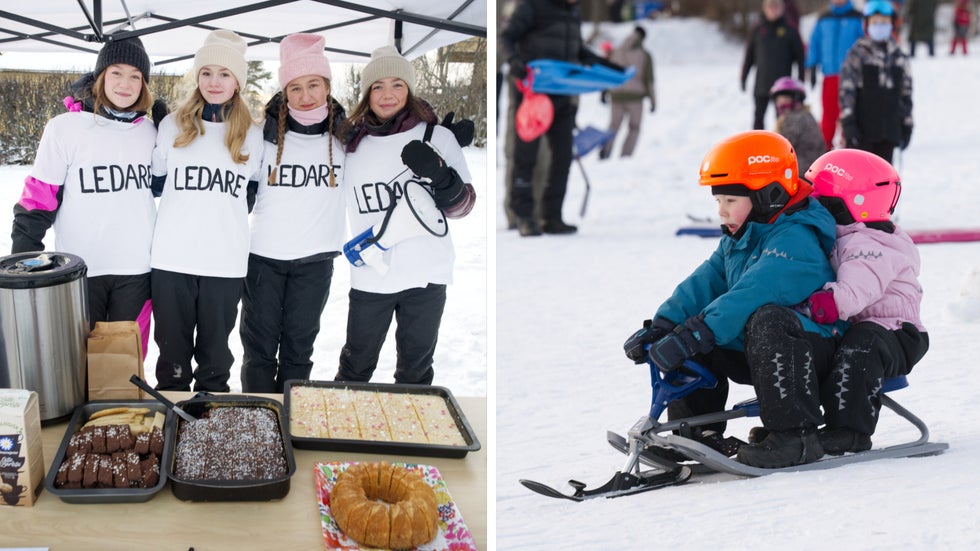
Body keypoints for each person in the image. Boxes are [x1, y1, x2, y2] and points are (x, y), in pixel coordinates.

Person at [623, 131, 846, 468]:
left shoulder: (797, 239)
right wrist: (664, 325)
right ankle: (695, 433)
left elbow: (754, 292)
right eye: (718, 201)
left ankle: (795, 437)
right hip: (761, 348)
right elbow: (705, 281)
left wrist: (696, 333)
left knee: (760, 320)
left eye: (730, 201)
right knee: (694, 330)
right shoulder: (742, 235)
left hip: (811, 350)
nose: (721, 211)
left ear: (768, 195)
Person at [335, 45, 475, 385]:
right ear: (367, 94)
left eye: (397, 84)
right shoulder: (349, 144)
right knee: (355, 370)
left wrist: (442, 176)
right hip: (372, 273)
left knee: (415, 374)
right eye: (378, 86)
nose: (388, 94)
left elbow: (464, 206)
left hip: (426, 274)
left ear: (409, 89)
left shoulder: (437, 137)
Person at [10, 37, 158, 355]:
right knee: (77, 362)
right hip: (80, 269)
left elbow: (162, 186)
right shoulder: (64, 128)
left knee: (125, 364)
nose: (125, 84)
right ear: (100, 76)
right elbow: (38, 199)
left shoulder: (150, 131)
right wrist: (22, 256)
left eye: (135, 76)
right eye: (116, 72)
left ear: (144, 84)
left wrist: (170, 128)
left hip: (136, 270)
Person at [149, 29, 263, 392]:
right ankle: (173, 420)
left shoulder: (254, 135)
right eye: (207, 72)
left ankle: (210, 420)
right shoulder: (172, 126)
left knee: (215, 361)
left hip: (224, 263)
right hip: (172, 260)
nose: (214, 82)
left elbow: (252, 191)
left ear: (238, 82)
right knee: (172, 362)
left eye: (225, 74)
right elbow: (156, 181)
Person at [238, 33, 347, 393]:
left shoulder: (347, 138)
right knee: (259, 351)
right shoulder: (262, 135)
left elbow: (388, 145)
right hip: (263, 260)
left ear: (327, 86)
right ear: (285, 92)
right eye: (295, 88)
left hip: (316, 261)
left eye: (313, 84)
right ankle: (257, 415)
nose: (305, 95)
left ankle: (290, 416)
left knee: (299, 351)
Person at [802, 149, 929, 454]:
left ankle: (851, 431)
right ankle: (796, 427)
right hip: (863, 327)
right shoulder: (844, 236)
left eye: (820, 203)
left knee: (861, 346)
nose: (813, 208)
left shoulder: (871, 244)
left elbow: (852, 293)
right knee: (828, 345)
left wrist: (816, 304)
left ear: (845, 206)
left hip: (898, 333)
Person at [500, 0, 623, 237]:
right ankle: (524, 217)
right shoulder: (532, 5)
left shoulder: (572, 11)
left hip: (562, 93)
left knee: (563, 156)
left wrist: (604, 65)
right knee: (526, 157)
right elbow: (505, 37)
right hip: (532, 95)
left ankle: (551, 217)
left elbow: (577, 50)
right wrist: (514, 61)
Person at [839, 0, 913, 164]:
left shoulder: (898, 56)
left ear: (892, 24)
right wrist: (848, 122)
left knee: (884, 175)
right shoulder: (858, 54)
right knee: (860, 174)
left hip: (889, 132)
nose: (880, 26)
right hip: (862, 133)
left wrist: (907, 124)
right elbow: (846, 91)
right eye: (875, 22)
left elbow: (906, 94)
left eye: (884, 22)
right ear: (867, 25)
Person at [805, 0, 865, 150]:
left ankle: (848, 146)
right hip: (830, 76)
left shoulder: (857, 18)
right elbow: (815, 42)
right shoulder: (824, 18)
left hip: (851, 77)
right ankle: (825, 147)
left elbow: (864, 44)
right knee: (829, 114)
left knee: (849, 114)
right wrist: (812, 64)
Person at [740, 0, 805, 130]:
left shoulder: (790, 29)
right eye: (770, 7)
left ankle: (781, 142)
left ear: (781, 9)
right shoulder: (757, 29)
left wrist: (800, 80)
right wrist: (744, 77)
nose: (773, 10)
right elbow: (749, 56)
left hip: (783, 86)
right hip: (762, 84)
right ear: (765, 9)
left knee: (783, 121)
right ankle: (758, 142)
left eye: (776, 7)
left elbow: (800, 57)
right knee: (758, 118)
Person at [599, 26, 655, 159]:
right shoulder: (645, 55)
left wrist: (604, 91)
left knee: (613, 126)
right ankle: (625, 156)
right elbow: (649, 79)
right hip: (635, 98)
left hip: (616, 95)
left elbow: (608, 73)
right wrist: (653, 100)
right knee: (634, 127)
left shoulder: (615, 52)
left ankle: (605, 151)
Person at [769, 76, 826, 173]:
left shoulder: (794, 119)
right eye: (778, 100)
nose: (780, 104)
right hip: (810, 170)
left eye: (785, 99)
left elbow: (778, 149)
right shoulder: (806, 114)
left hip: (800, 173)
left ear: (796, 99)